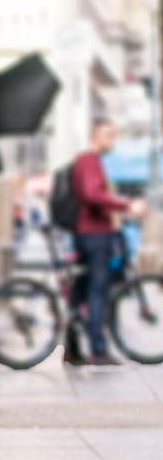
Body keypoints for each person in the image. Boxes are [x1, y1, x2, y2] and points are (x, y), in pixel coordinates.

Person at [64, 118, 147, 366]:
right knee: (97, 290)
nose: (112, 140)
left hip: (88, 232)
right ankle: (98, 350)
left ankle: (73, 349)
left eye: (114, 135)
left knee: (81, 292)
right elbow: (92, 194)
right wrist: (126, 204)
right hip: (95, 234)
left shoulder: (89, 161)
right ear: (94, 135)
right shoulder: (89, 160)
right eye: (107, 135)